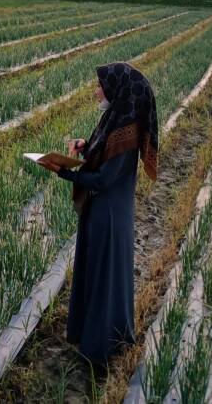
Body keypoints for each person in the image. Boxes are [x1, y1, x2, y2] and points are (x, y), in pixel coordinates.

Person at [41, 61, 158, 368]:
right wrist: (85, 145)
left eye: (101, 87)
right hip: (101, 212)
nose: (96, 92)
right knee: (97, 275)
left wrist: (65, 173)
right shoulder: (115, 119)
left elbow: (104, 179)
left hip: (109, 216)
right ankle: (93, 335)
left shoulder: (127, 133)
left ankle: (100, 347)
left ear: (117, 90)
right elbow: (101, 150)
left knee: (104, 278)